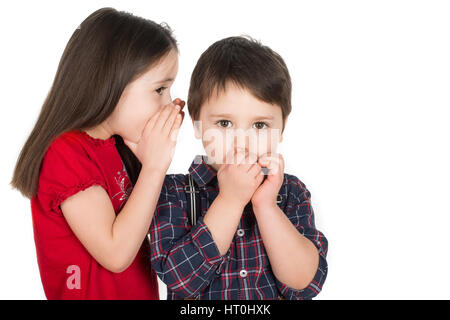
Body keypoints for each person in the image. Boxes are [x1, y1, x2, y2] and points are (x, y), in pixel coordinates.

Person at [10, 7, 184, 299]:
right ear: (110, 83)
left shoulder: (116, 146)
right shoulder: (65, 153)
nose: (169, 103)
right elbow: (116, 253)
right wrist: (154, 167)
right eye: (159, 90)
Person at [149, 36, 328, 300]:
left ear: (283, 128)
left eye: (259, 125)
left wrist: (266, 206)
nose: (242, 141)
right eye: (224, 124)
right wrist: (230, 200)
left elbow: (304, 284)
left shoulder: (291, 192)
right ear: (197, 124)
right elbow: (181, 280)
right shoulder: (173, 192)